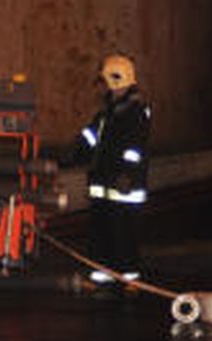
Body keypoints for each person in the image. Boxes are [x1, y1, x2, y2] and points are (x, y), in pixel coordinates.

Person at [63, 53, 151, 288]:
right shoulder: (108, 113)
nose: (103, 88)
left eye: (106, 82)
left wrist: (127, 174)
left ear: (115, 81)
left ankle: (129, 277)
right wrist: (72, 154)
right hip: (103, 185)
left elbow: (135, 148)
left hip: (123, 187)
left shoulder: (135, 112)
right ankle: (102, 275)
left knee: (123, 234)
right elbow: (92, 137)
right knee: (102, 233)